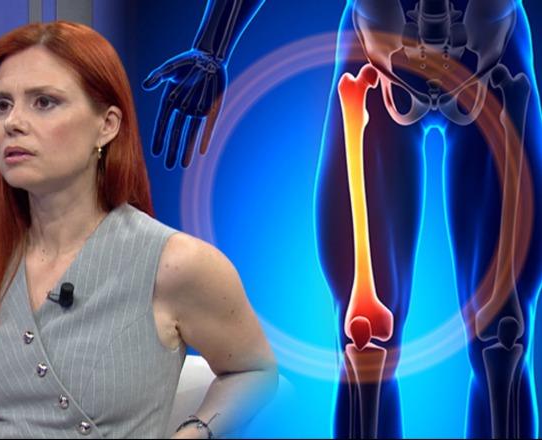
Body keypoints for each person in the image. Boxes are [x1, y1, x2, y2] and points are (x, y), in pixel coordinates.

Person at [146, 0, 542, 438]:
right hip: (380, 60)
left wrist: (212, 49)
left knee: (503, 340)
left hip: (490, 56)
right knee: (365, 341)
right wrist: (211, 50)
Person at [0, 21, 278, 439]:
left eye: (44, 102)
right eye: (2, 105)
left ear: (107, 125)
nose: (12, 122)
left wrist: (194, 432)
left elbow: (254, 371)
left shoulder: (177, 265)